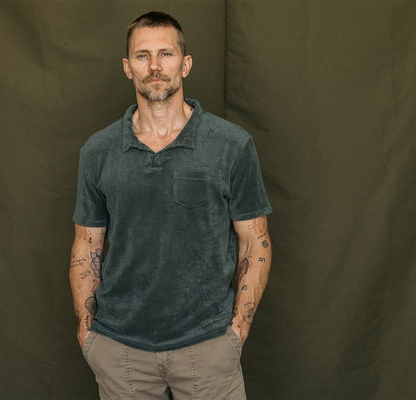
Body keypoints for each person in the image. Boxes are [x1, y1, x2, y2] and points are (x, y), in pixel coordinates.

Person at [69, 11, 272, 400]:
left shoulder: (231, 145)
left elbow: (255, 241)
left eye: (166, 54)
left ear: (186, 64)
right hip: (120, 351)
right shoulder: (98, 151)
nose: (155, 66)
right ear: (127, 67)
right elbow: (87, 244)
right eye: (142, 55)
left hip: (208, 347)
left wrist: (238, 330)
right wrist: (87, 331)